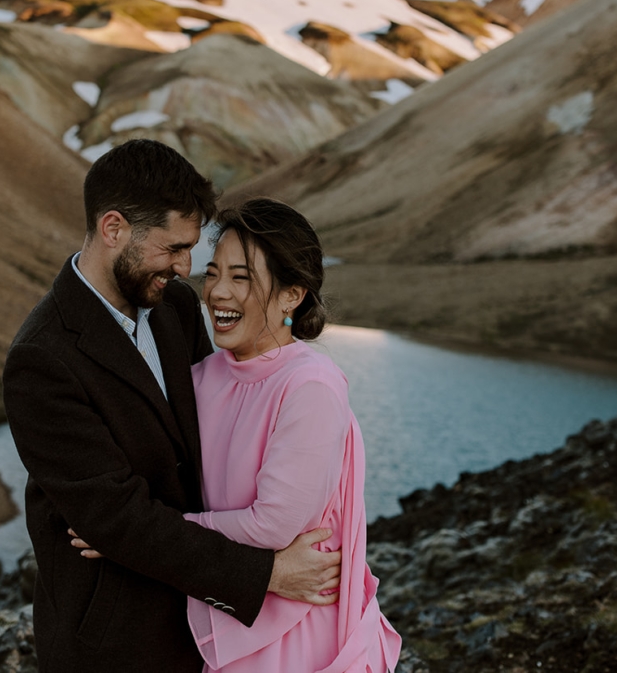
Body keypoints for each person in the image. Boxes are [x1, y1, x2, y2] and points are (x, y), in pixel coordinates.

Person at [3, 141, 342, 673]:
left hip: (202, 625)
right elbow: (117, 519)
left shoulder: (173, 308)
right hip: (114, 642)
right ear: (114, 229)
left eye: (192, 249)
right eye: (173, 247)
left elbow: (216, 434)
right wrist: (267, 574)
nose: (187, 268)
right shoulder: (41, 360)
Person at [74, 197, 402, 672]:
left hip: (298, 634)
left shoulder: (309, 384)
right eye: (212, 274)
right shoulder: (202, 377)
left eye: (241, 277)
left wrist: (136, 538)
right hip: (231, 610)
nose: (218, 293)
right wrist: (133, 528)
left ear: (293, 294)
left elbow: (272, 525)